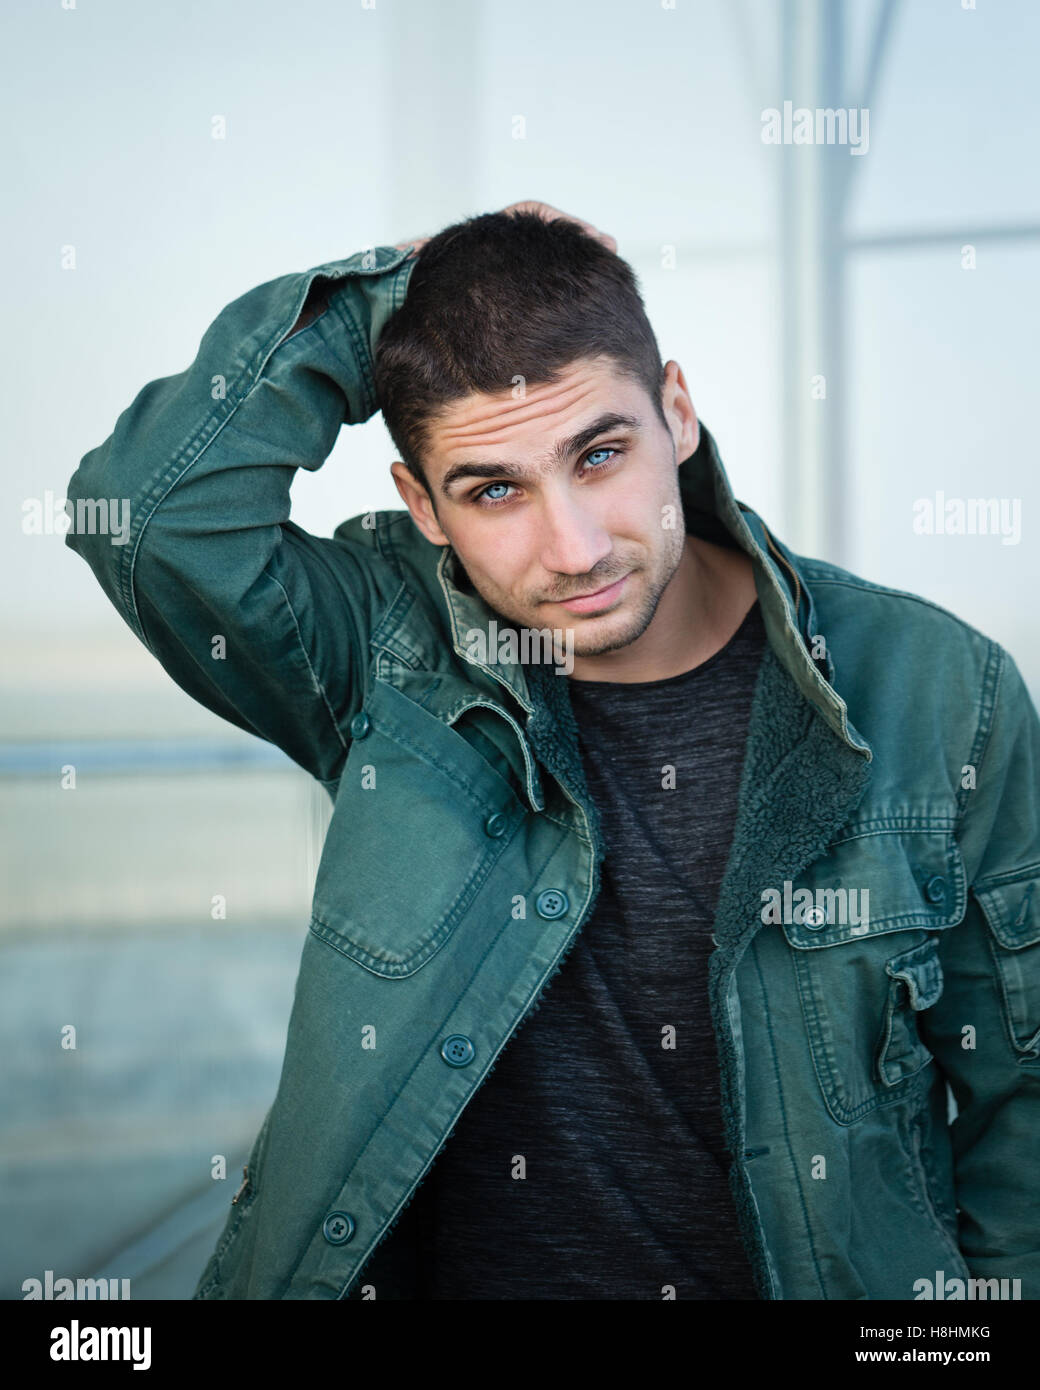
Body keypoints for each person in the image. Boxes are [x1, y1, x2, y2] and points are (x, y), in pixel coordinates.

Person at [65, 202, 1040, 1301]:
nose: (572, 548)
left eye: (599, 453)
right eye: (493, 490)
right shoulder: (384, 649)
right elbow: (140, 515)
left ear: (676, 412)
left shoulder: (938, 689)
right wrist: (396, 294)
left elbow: (1024, 1110)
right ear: (421, 507)